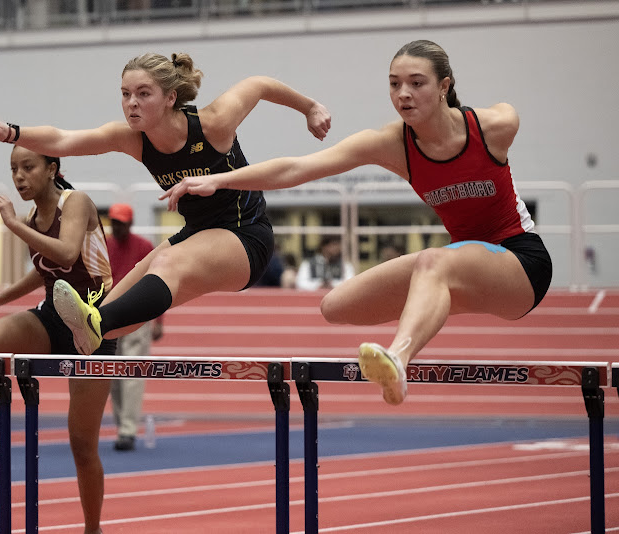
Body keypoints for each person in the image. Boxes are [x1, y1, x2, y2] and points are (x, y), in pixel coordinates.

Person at [161, 40, 553, 406]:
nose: (403, 94)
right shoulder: (391, 143)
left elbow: (512, 111)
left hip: (520, 262)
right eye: (395, 84)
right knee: (337, 305)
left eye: (417, 84)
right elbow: (298, 168)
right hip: (467, 264)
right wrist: (219, 178)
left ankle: (397, 362)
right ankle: (433, 303)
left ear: (443, 87)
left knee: (434, 261)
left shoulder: (494, 127)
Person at [0, 52, 331, 363]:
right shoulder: (131, 139)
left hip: (246, 236)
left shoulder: (213, 123)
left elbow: (260, 83)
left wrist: (311, 107)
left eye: (144, 94)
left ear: (171, 97)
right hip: (197, 234)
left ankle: (93, 324)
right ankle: (92, 340)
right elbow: (64, 140)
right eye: (126, 94)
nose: (132, 103)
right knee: (115, 306)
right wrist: (11, 133)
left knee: (164, 264)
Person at [0, 146, 115, 534]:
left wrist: (12, 224)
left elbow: (65, 253)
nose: (19, 177)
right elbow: (43, 270)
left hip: (95, 325)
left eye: (28, 167)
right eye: (13, 169)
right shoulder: (32, 216)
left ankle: (93, 529)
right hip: (53, 318)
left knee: (81, 444)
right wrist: (3, 296)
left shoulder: (75, 202)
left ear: (52, 168)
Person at [105, 202, 164, 451]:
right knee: (112, 376)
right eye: (114, 222)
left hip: (138, 315)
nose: (116, 227)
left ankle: (127, 430)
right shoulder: (104, 246)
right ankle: (122, 426)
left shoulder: (143, 247)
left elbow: (160, 283)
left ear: (129, 224)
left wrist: (158, 320)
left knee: (131, 372)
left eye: (121, 222)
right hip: (108, 314)